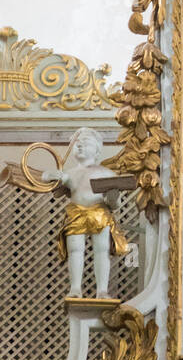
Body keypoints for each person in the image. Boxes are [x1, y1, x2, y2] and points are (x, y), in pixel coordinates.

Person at [47, 127, 129, 298]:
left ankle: (102, 290)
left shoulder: (105, 172)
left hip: (99, 212)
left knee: (102, 249)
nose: (81, 145)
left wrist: (112, 197)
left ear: (98, 149)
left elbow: (115, 204)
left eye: (86, 142)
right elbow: (52, 187)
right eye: (77, 143)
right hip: (76, 213)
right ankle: (75, 288)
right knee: (75, 249)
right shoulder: (69, 173)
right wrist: (54, 177)